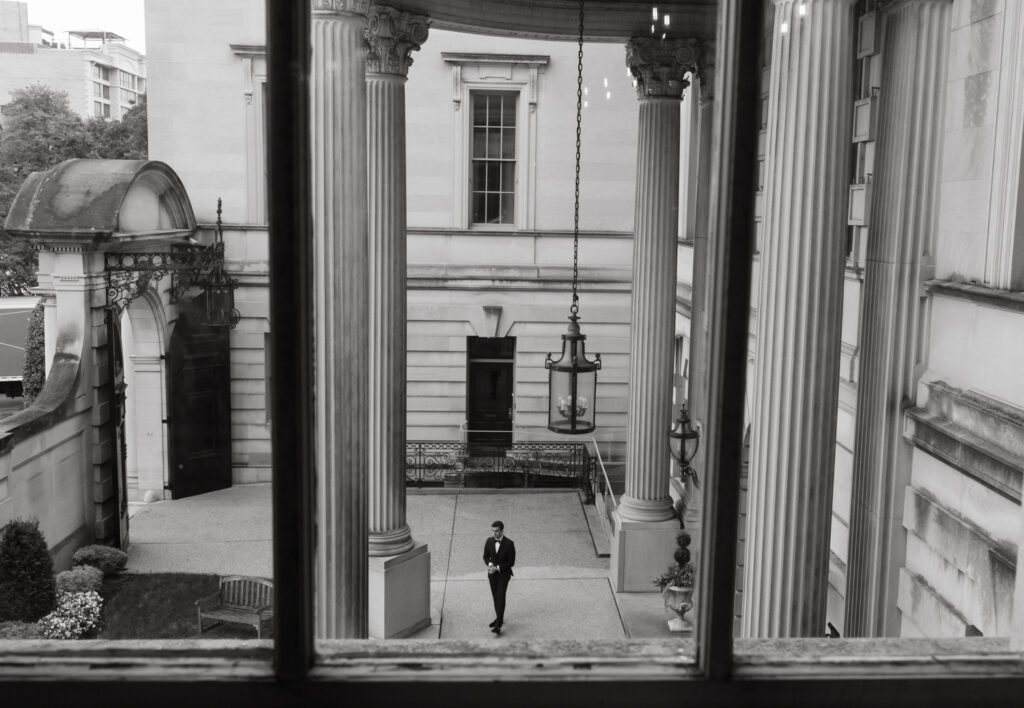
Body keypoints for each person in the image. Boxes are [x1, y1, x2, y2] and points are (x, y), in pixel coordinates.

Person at [483, 519, 515, 635]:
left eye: (496, 531)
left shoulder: (509, 544)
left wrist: (498, 568)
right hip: (492, 574)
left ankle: (498, 625)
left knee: (500, 597)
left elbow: (511, 562)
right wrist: (490, 564)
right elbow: (485, 557)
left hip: (504, 574)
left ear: (502, 531)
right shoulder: (489, 541)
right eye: (493, 531)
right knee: (495, 597)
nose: (494, 533)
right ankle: (499, 618)